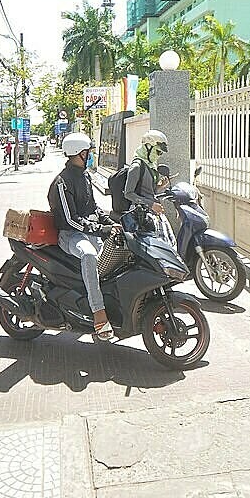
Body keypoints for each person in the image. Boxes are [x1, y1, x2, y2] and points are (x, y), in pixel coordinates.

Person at [48, 133, 117, 342]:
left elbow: (93, 208)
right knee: (88, 255)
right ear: (80, 153)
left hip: (89, 231)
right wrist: (99, 230)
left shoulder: (85, 176)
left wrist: (111, 222)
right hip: (70, 236)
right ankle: (98, 313)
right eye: (88, 153)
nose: (90, 156)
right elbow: (70, 220)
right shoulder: (62, 182)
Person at [123, 130, 169, 218]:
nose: (159, 155)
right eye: (158, 152)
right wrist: (151, 204)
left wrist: (161, 186)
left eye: (161, 153)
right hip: (139, 215)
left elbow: (147, 192)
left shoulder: (151, 165)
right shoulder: (136, 166)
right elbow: (128, 194)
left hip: (151, 213)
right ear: (148, 146)